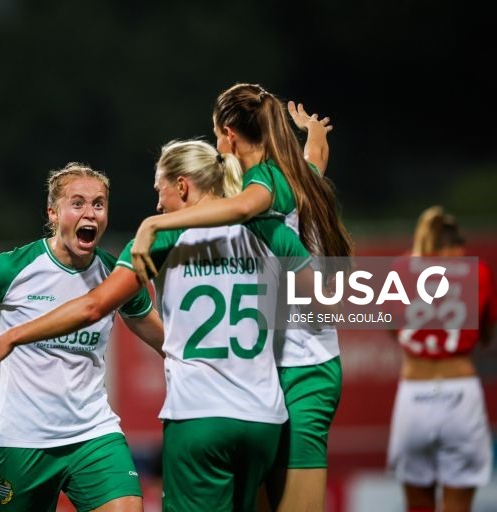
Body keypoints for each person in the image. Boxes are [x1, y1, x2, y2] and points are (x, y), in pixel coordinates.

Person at [0, 140, 336, 511]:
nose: (158, 204)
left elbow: (94, 306)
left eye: (160, 190)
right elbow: (322, 305)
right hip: (263, 418)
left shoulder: (160, 237)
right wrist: (314, 155)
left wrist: (12, 336)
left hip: (199, 417)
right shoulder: (268, 229)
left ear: (182, 186)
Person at [129, 84, 353, 512]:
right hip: (273, 368)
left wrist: (154, 225)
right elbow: (316, 160)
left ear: (230, 135)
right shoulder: (295, 174)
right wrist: (315, 134)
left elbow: (239, 209)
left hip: (304, 365)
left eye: (216, 135)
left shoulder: (264, 182)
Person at [0, 162, 164, 512]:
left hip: (93, 435)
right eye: (77, 203)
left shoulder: (117, 277)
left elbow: (167, 344)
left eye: (98, 204)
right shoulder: (11, 268)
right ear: (53, 212)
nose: (90, 213)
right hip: (21, 440)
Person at [388, 206, 496, 512]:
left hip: (413, 394)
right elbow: (487, 334)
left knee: (418, 505)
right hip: (461, 395)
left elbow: (392, 327)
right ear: (454, 245)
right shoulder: (479, 272)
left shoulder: (400, 269)